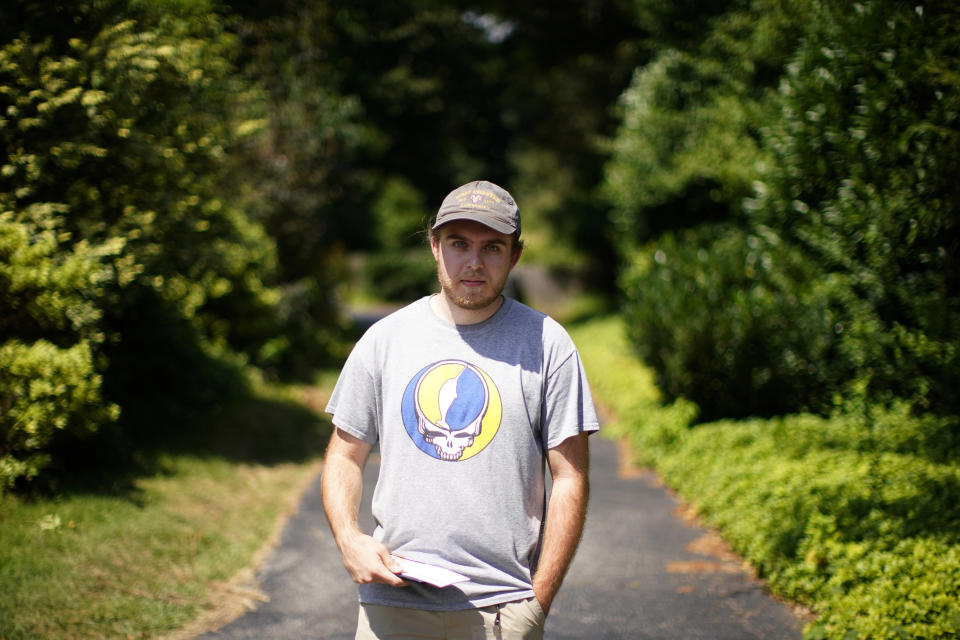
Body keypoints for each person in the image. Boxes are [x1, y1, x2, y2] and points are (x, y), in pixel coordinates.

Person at [321, 180, 599, 640]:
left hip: (501, 609)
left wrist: (537, 602)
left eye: (492, 247)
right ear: (434, 246)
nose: (473, 262)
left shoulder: (548, 344)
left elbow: (570, 478)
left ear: (515, 255)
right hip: (393, 601)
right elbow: (343, 455)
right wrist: (350, 541)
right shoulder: (385, 340)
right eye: (458, 244)